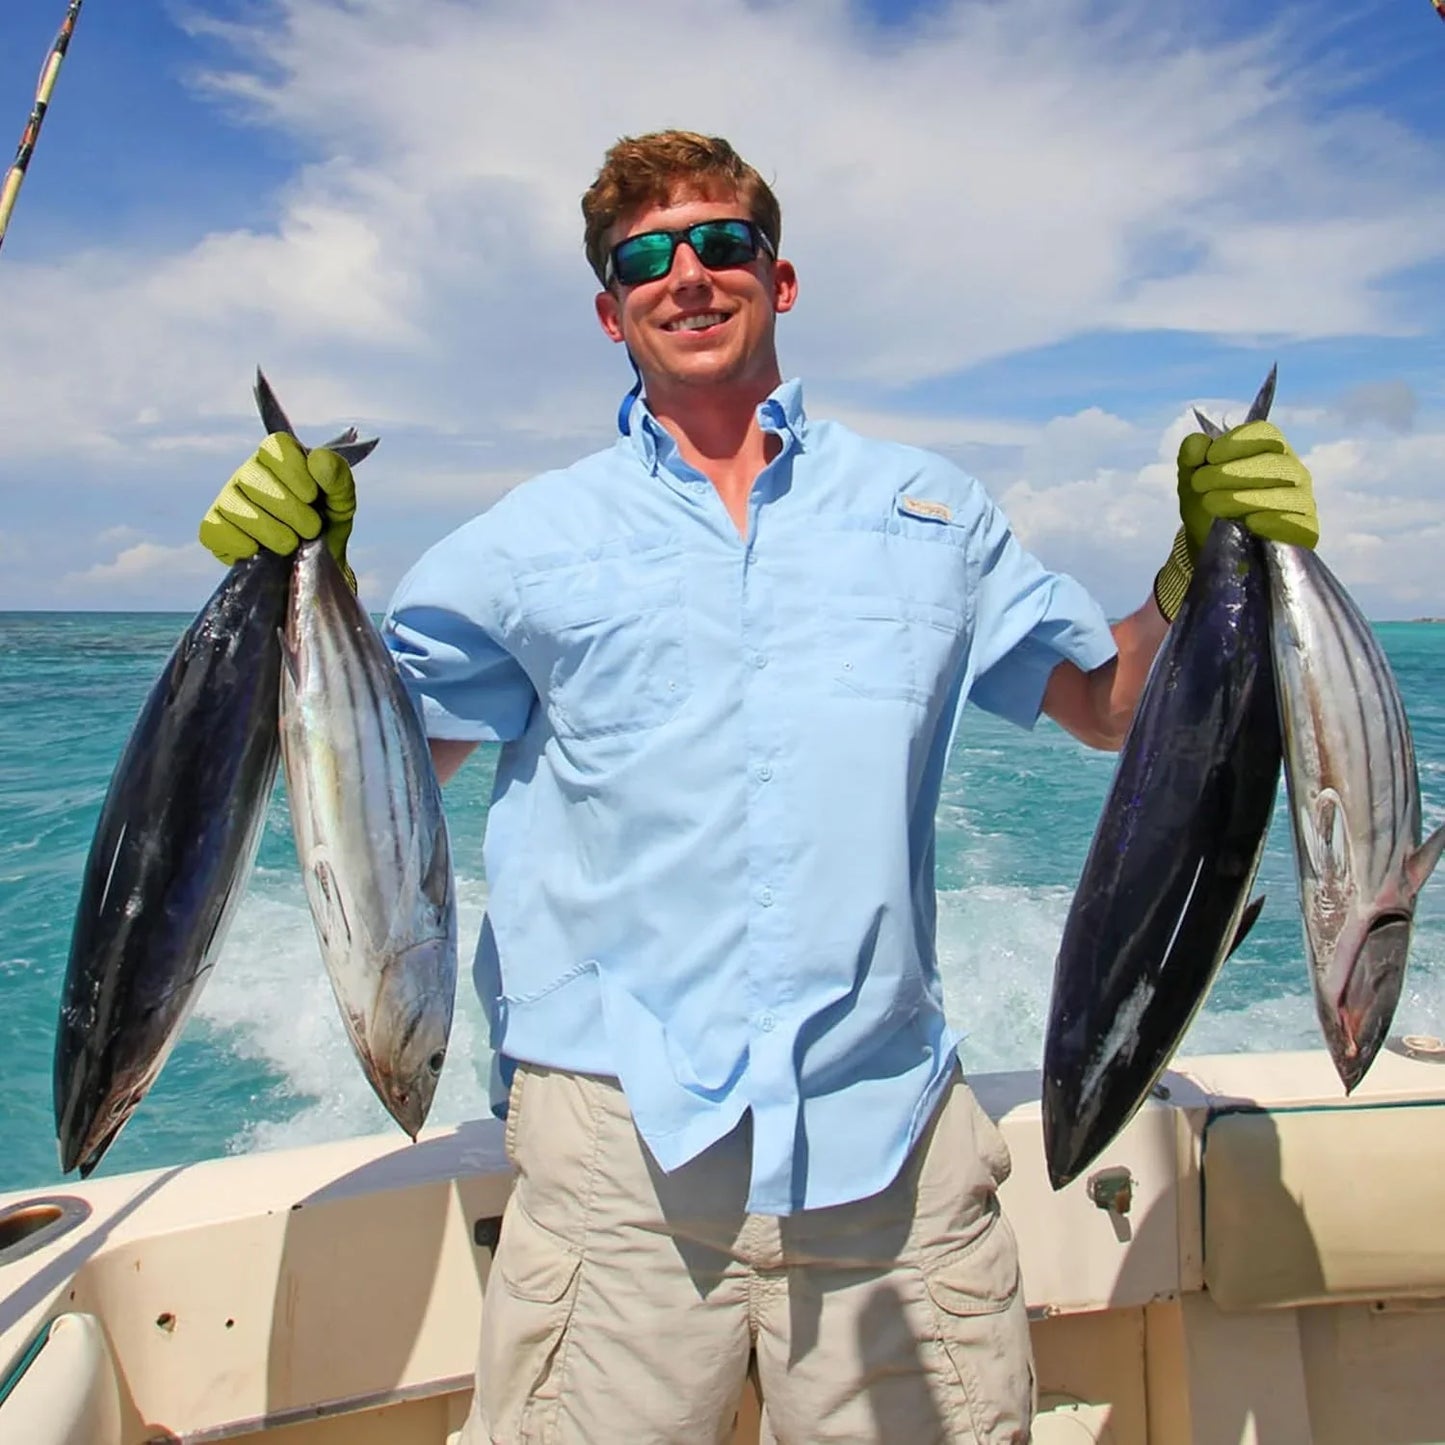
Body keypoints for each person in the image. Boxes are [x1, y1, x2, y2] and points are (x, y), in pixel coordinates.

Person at [197, 130, 1318, 1444]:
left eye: (720, 244)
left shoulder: (930, 510)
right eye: (645, 258)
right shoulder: (522, 542)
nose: (687, 275)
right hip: (616, 1168)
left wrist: (1201, 575)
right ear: (609, 309)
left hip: (885, 1153)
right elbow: (374, 769)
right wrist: (282, 586)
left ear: (777, 280)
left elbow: (1107, 705)